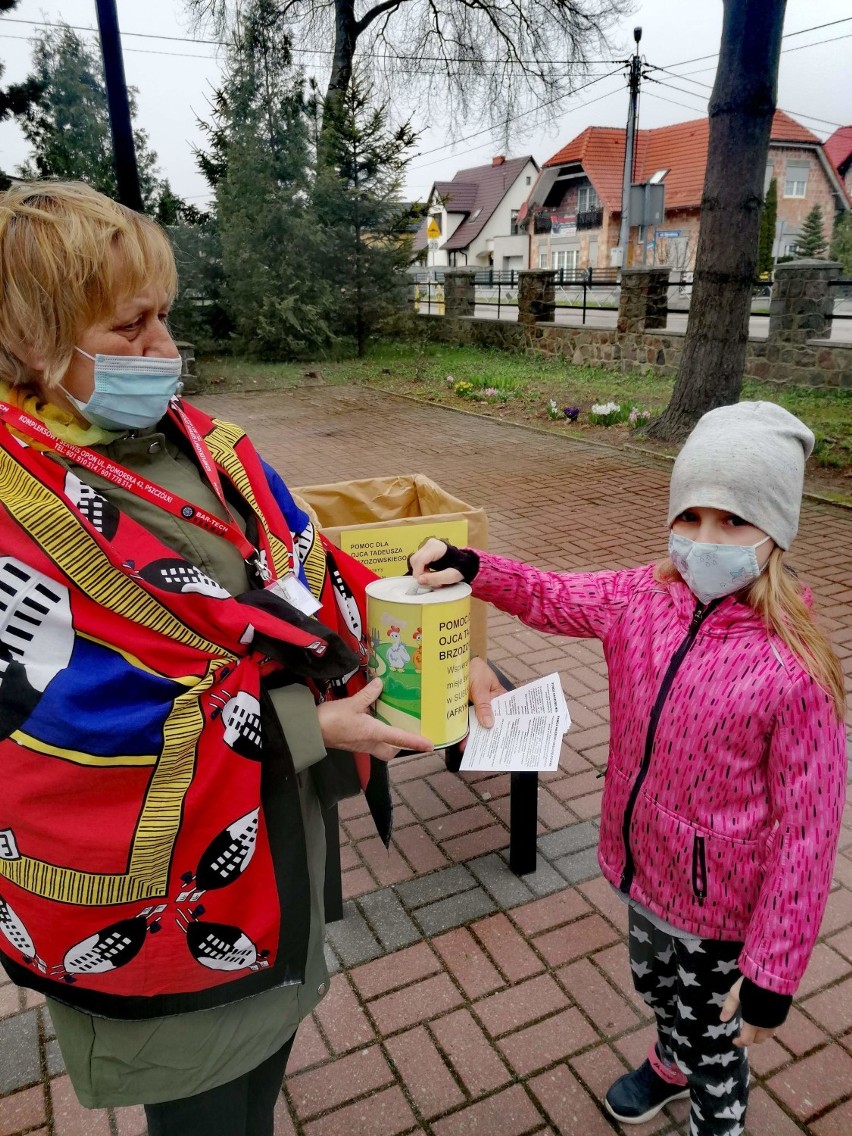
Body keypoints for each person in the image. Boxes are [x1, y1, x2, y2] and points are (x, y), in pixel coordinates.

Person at [0, 180, 500, 1136]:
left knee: (258, 1088)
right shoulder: (14, 503)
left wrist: (439, 643)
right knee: (200, 1115)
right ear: (35, 339)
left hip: (274, 845)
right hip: (164, 903)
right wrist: (303, 724)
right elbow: (49, 733)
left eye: (165, 318)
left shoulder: (204, 442)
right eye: (129, 326)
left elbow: (305, 566)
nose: (162, 350)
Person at [409, 400, 847, 1136]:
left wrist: (773, 970)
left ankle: (716, 1115)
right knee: (654, 986)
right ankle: (669, 1064)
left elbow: (809, 836)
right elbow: (551, 594)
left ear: (775, 532)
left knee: (717, 1040)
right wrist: (474, 568)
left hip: (722, 911)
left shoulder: (794, 669)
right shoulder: (641, 599)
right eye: (690, 516)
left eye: (734, 521)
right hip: (642, 870)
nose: (705, 540)